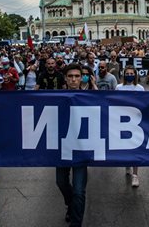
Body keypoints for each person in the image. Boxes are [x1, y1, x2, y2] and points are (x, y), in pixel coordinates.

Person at [55, 64, 89, 226]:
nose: (74, 79)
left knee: (78, 191)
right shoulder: (56, 97)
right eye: (70, 76)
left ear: (81, 77)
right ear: (65, 78)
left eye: (77, 76)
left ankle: (76, 223)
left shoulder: (90, 97)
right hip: (62, 147)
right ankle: (71, 204)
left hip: (82, 149)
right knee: (61, 182)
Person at [116, 65, 144, 187]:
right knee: (125, 146)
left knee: (135, 148)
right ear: (124, 75)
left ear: (135, 74)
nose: (129, 75)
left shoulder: (140, 88)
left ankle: (135, 175)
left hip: (135, 122)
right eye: (127, 73)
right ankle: (127, 164)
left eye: (131, 73)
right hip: (121, 121)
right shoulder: (118, 87)